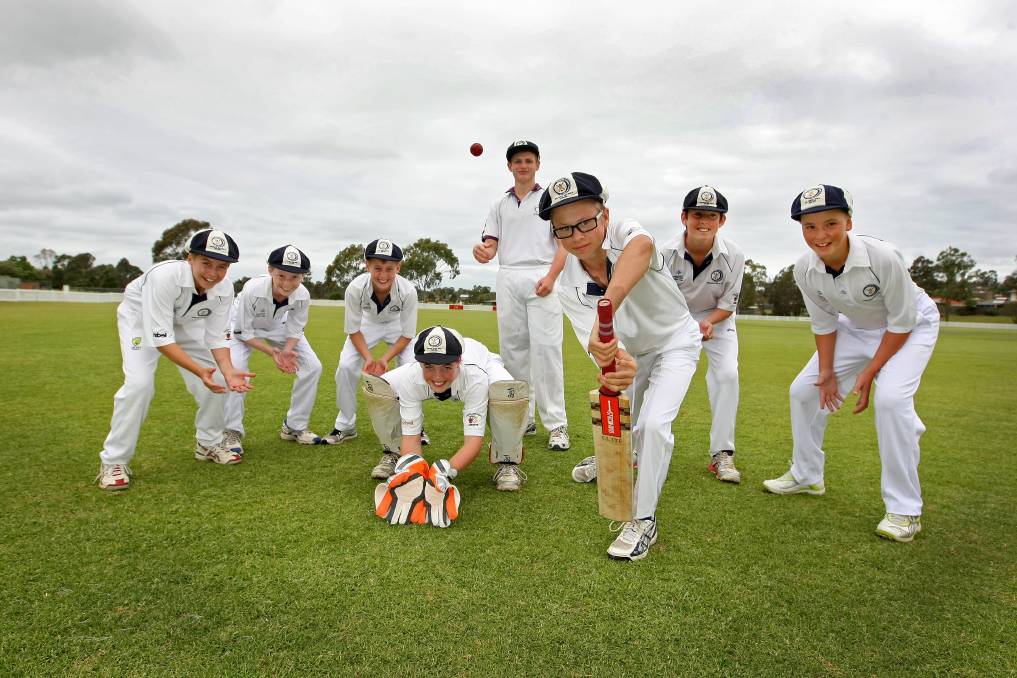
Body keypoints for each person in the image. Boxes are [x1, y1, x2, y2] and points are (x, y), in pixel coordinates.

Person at [762, 185, 939, 543]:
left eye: (830, 223)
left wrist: (871, 372)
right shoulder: (805, 268)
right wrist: (827, 373)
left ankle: (905, 509)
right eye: (810, 227)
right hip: (855, 327)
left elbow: (902, 321)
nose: (820, 235)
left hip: (910, 326)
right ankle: (807, 475)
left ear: (849, 222)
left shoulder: (882, 257)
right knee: (804, 391)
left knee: (891, 401)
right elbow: (824, 323)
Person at [541, 172, 702, 561]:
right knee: (619, 418)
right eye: (564, 230)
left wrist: (607, 305)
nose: (577, 236)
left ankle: (643, 519)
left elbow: (642, 248)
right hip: (633, 352)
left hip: (674, 342)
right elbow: (599, 347)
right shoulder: (568, 285)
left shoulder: (627, 233)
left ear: (605, 215)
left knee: (652, 426)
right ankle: (614, 459)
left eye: (585, 222)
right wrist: (616, 363)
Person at [95, 229, 255, 491]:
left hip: (184, 320)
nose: (213, 273)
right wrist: (199, 371)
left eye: (222, 267)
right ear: (190, 258)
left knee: (217, 378)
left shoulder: (224, 288)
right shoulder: (164, 277)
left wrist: (227, 370)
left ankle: (208, 443)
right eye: (206, 263)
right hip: (139, 319)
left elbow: (217, 336)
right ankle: (114, 461)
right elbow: (162, 339)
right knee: (139, 385)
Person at [472, 140, 570, 451]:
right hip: (508, 275)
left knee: (547, 351)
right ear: (509, 166)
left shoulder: (550, 200)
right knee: (513, 352)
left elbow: (564, 245)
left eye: (528, 160)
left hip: (542, 274)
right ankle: (522, 416)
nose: (523, 165)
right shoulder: (499, 204)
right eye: (517, 161)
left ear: (537, 164)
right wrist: (482, 252)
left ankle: (557, 425)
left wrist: (551, 277)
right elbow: (491, 245)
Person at [365, 326, 529, 499]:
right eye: (429, 366)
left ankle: (507, 461)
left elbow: (473, 442)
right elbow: (411, 438)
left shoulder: (475, 376)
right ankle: (395, 453)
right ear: (419, 363)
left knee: (507, 393)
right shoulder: (411, 377)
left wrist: (445, 472)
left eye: (446, 367)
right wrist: (414, 473)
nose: (438, 376)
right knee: (379, 388)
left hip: (485, 364)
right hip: (437, 373)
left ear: (459, 361)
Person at [660, 186, 745, 483]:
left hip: (716, 318)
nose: (704, 222)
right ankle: (638, 446)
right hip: (674, 318)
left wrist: (708, 322)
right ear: (684, 217)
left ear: (722, 221)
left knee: (727, 375)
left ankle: (722, 453)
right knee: (654, 373)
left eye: (711, 216)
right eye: (697, 214)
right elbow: (660, 298)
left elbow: (729, 303)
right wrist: (686, 324)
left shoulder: (735, 254)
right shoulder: (664, 253)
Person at [322, 240, 424, 469]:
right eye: (377, 268)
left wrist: (385, 359)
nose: (383, 275)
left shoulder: (408, 291)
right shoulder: (355, 288)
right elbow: (353, 329)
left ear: (398, 268)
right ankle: (346, 425)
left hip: (398, 327)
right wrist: (369, 358)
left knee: (412, 368)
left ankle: (415, 427)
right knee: (346, 367)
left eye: (389, 268)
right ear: (367, 266)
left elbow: (408, 334)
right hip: (366, 325)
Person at [223, 245, 323, 454]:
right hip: (241, 327)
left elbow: (295, 329)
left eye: (295, 277)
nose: (287, 283)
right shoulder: (252, 288)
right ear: (270, 270)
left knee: (313, 367)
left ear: (303, 276)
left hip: (279, 325)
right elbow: (243, 332)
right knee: (237, 370)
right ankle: (231, 431)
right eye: (281, 275)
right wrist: (272, 352)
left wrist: (287, 351)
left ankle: (294, 427)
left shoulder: (302, 294)